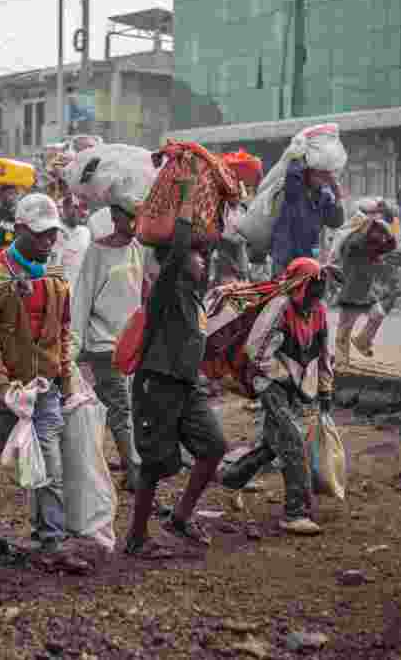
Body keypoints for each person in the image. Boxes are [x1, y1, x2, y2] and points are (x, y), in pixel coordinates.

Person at [0, 193, 81, 563]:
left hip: (44, 387)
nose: (48, 241)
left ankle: (51, 541)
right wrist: (2, 386)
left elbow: (63, 330)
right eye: (39, 234)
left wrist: (64, 377)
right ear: (18, 230)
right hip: (4, 389)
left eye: (52, 234)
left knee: (50, 463)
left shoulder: (55, 275)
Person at [123, 195, 227, 558]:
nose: (202, 260)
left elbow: (208, 250)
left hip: (186, 387)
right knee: (155, 462)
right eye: (195, 255)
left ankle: (180, 517)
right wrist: (183, 200)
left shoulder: (193, 295)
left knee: (214, 446)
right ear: (176, 259)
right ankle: (136, 538)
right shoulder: (165, 290)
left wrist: (217, 213)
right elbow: (180, 243)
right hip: (158, 384)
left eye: (204, 256)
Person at [221, 258, 336, 535]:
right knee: (293, 439)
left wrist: (325, 388)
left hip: (293, 384)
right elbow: (256, 352)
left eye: (320, 291)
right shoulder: (279, 308)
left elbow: (324, 355)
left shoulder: (319, 312)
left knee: (275, 443)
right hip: (270, 382)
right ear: (300, 287)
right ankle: (295, 513)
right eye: (313, 290)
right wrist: (284, 377)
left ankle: (231, 478)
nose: (316, 297)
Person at [70, 197, 145, 492]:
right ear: (115, 216)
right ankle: (133, 469)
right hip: (103, 344)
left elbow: (140, 294)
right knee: (120, 407)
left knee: (123, 406)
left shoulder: (138, 249)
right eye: (129, 217)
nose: (134, 223)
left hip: (131, 342)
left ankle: (110, 465)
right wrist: (74, 347)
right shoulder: (97, 252)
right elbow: (82, 300)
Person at [334, 207, 397, 368]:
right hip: (351, 291)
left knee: (378, 315)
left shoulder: (370, 243)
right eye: (373, 228)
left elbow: (390, 246)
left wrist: (388, 232)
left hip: (366, 292)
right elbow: (358, 243)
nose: (377, 234)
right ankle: (341, 362)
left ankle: (362, 341)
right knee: (344, 330)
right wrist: (371, 225)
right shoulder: (352, 242)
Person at [270, 158, 345, 276]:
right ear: (307, 173)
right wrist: (305, 155)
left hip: (308, 258)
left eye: (323, 176)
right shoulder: (294, 190)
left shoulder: (324, 197)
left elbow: (336, 221)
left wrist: (338, 195)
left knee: (306, 292)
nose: (319, 179)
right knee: (282, 292)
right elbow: (292, 171)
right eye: (316, 174)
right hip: (285, 256)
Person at [50, 193, 91, 289]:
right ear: (64, 208)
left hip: (79, 290)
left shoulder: (86, 232)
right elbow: (51, 264)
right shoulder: (54, 230)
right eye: (75, 207)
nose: (80, 211)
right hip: (59, 290)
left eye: (83, 208)